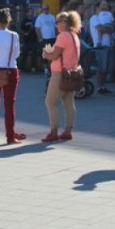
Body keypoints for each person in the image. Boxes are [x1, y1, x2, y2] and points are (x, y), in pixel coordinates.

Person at [40, 11, 82, 142]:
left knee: (50, 102)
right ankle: (68, 131)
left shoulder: (63, 36)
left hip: (60, 74)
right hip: (72, 73)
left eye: (57, 22)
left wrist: (46, 54)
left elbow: (54, 55)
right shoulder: (74, 35)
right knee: (69, 103)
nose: (56, 25)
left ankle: (53, 132)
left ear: (64, 22)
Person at [0, 8, 24, 145]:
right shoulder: (14, 35)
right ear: (8, 21)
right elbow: (17, 54)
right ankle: (10, 137)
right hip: (10, 70)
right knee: (9, 104)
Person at [89, 1, 115, 94]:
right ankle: (100, 86)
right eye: (101, 7)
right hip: (100, 46)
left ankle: (103, 86)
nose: (103, 8)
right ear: (97, 8)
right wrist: (108, 29)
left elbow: (113, 28)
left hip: (107, 45)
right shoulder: (94, 18)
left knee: (107, 67)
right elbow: (100, 29)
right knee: (101, 67)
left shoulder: (107, 16)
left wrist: (106, 29)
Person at [35, 4, 57, 78]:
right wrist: (40, 38)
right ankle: (46, 71)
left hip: (53, 38)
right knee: (46, 55)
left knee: (53, 55)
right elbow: (37, 28)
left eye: (47, 8)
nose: (45, 10)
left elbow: (55, 27)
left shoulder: (52, 17)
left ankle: (52, 70)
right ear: (42, 10)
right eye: (44, 9)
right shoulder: (40, 17)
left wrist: (57, 36)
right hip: (45, 39)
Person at [18, 8, 39, 72]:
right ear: (27, 13)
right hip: (26, 40)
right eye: (29, 12)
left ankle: (33, 68)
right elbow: (21, 29)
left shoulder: (36, 20)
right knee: (24, 55)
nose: (30, 13)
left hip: (34, 40)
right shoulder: (24, 20)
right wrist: (24, 33)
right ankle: (22, 68)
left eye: (31, 12)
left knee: (34, 55)